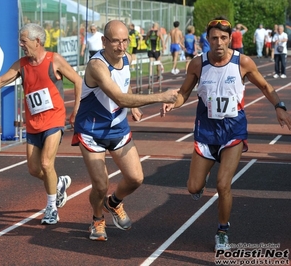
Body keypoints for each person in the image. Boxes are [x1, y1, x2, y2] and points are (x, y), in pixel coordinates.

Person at [161, 17, 291, 251]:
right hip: (206, 131)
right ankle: (202, 180)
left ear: (230, 39)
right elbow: (183, 93)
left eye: (223, 38)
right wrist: (173, 104)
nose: (219, 42)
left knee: (223, 184)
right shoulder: (197, 64)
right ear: (207, 40)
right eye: (214, 38)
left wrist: (279, 106)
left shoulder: (243, 62)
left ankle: (222, 231)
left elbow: (264, 86)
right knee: (193, 187)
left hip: (233, 131)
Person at [71, 20, 178, 241]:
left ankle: (114, 202)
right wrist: (160, 96)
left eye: (125, 41)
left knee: (136, 178)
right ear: (104, 41)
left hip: (118, 127)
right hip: (92, 131)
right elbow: (119, 97)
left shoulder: (126, 58)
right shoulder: (96, 66)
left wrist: (134, 107)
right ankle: (97, 219)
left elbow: (125, 85)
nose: (121, 47)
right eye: (116, 42)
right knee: (100, 184)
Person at [0, 23, 81, 225]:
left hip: (54, 119)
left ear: (37, 41)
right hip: (34, 123)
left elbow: (78, 80)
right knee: (34, 169)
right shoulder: (22, 64)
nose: (21, 44)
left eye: (23, 41)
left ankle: (51, 208)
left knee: (45, 163)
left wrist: (76, 111)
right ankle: (58, 183)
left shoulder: (54, 60)